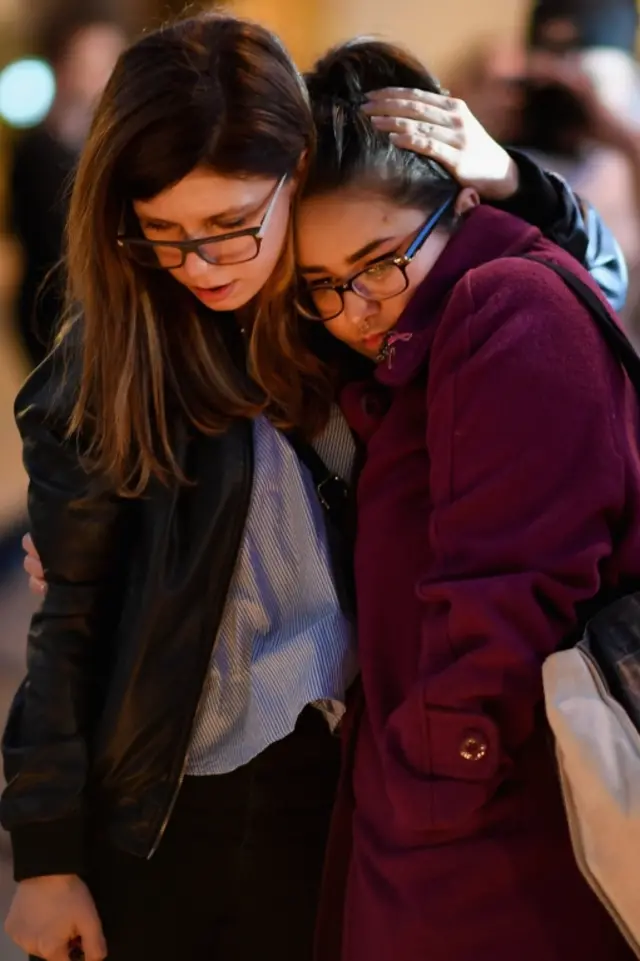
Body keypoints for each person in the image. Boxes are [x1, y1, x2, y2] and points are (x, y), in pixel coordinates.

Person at [3, 12, 629, 961]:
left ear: (297, 180)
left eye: (231, 226)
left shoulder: (343, 313)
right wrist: (45, 856)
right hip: (185, 794)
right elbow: (68, 627)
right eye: (164, 234)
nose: (202, 264)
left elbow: (590, 290)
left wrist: (509, 181)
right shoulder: (121, 363)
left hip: (348, 775)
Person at [289, 38, 640, 961]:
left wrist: (430, 788)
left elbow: (512, 585)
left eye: (378, 260)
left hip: (500, 839)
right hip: (451, 819)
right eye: (322, 285)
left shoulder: (506, 306)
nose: (359, 307)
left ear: (463, 208)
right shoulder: (416, 337)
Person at [9, 10, 126, 367]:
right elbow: (47, 239)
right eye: (90, 63)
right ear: (63, 66)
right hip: (56, 312)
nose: (101, 77)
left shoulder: (120, 145)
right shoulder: (37, 150)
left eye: (111, 62)